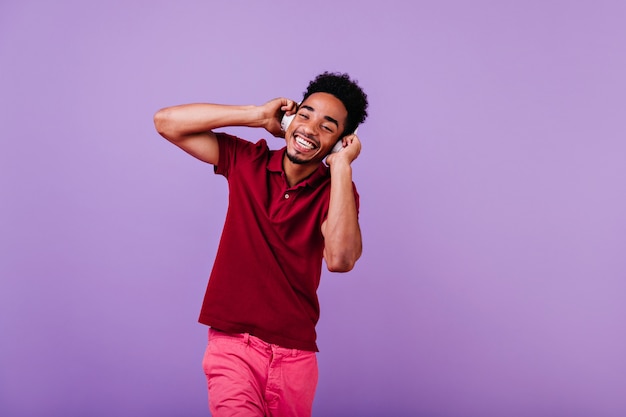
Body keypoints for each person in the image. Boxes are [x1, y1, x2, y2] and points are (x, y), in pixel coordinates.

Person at [153, 71, 369, 417]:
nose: (311, 129)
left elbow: (341, 259)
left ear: (342, 140)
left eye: (328, 127)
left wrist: (342, 167)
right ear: (291, 117)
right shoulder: (246, 161)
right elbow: (167, 122)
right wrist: (256, 116)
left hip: (296, 359)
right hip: (233, 347)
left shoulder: (337, 193)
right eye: (306, 115)